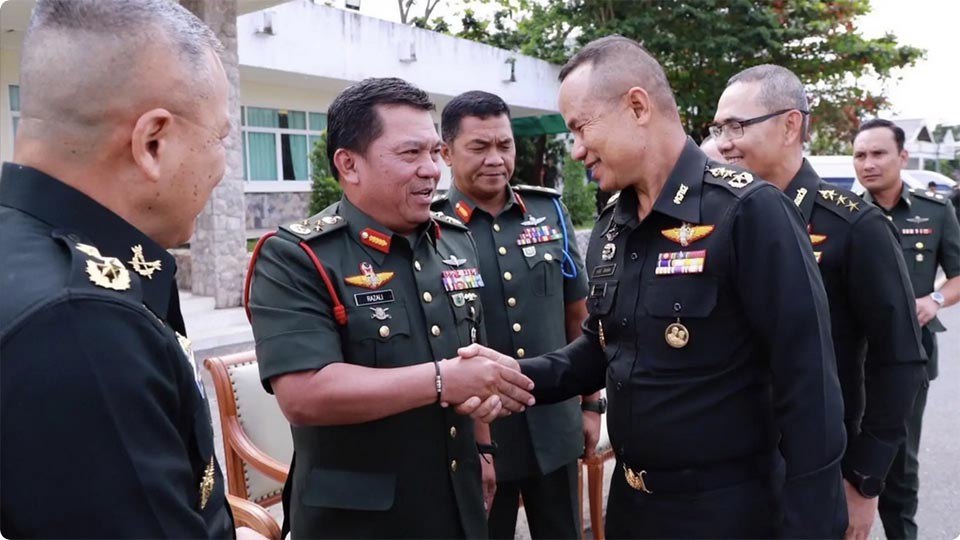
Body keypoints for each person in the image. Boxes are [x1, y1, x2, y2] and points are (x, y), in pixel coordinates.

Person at [460, 35, 848, 538]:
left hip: (727, 514)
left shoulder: (750, 211)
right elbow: (603, 347)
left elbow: (810, 384)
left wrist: (813, 526)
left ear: (637, 107)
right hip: (633, 509)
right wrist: (517, 375)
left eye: (580, 127)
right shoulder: (613, 225)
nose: (576, 150)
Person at [0, 0, 251, 537]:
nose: (222, 166)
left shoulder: (24, 254)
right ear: (152, 142)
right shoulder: (81, 324)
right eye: (221, 139)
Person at [246, 78, 536, 539]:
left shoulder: (453, 241)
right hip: (360, 521)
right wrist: (442, 380)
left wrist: (483, 449)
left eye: (434, 152)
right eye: (410, 154)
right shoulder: (297, 257)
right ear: (349, 164)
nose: (431, 170)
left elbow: (472, 356)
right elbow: (303, 394)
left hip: (456, 501)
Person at [712, 64, 927, 540]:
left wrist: (865, 481)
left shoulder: (854, 227)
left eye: (736, 126)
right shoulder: (720, 218)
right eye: (718, 128)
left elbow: (900, 360)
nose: (724, 143)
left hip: (817, 472)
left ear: (791, 125)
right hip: (729, 471)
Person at [433, 90, 597, 540]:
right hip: (478, 438)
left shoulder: (547, 211)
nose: (495, 159)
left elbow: (579, 316)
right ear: (446, 152)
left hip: (553, 424)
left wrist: (590, 404)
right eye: (479, 147)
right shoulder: (432, 226)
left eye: (504, 145)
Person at [853, 119, 960, 540]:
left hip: (910, 358)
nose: (868, 164)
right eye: (860, 155)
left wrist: (934, 301)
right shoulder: (843, 211)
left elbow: (958, 275)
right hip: (850, 357)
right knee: (841, 457)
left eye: (878, 153)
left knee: (899, 465)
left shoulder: (935, 211)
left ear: (903, 156)